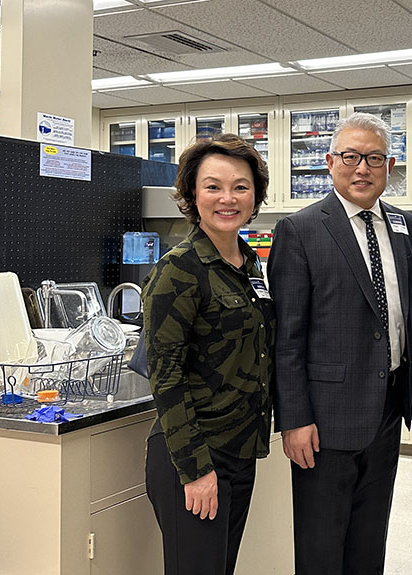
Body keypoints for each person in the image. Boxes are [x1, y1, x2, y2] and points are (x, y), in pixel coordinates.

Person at [268, 111, 412, 575]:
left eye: (374, 158)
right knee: (322, 546)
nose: (362, 168)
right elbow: (287, 337)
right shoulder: (300, 230)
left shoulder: (402, 225)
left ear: (390, 166)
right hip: (325, 418)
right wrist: (294, 419)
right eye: (351, 157)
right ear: (329, 162)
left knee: (369, 539)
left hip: (388, 407)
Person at [142, 133, 274, 575]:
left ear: (255, 196)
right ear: (192, 194)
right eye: (213, 186)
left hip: (240, 452)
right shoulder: (178, 269)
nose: (227, 198)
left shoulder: (249, 265)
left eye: (240, 187)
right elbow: (166, 376)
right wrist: (196, 469)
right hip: (194, 455)